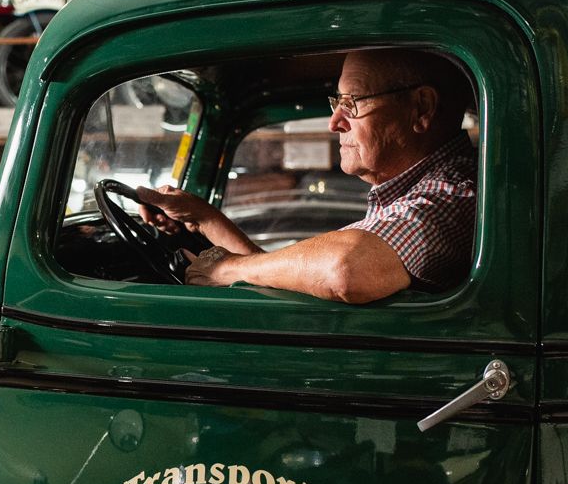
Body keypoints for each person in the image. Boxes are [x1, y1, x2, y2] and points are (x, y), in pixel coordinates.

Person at [137, 49, 475, 303]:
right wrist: (206, 219)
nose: (335, 123)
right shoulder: (413, 193)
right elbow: (279, 271)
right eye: (336, 103)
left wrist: (224, 270)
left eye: (352, 103)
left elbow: (345, 268)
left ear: (422, 108)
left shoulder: (455, 193)